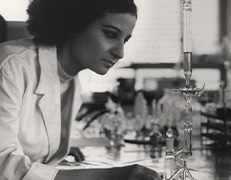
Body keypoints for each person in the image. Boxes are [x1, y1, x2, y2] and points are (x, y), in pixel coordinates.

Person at [0, 0, 162, 179]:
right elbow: (4, 167)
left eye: (125, 40)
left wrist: (54, 153)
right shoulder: (10, 67)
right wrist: (110, 176)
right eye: (110, 34)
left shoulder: (71, 82)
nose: (120, 52)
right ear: (75, 23)